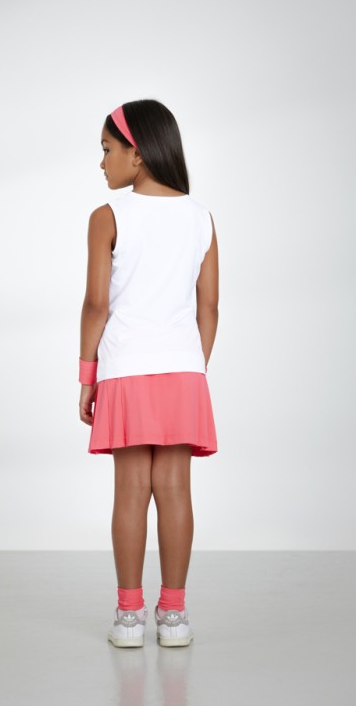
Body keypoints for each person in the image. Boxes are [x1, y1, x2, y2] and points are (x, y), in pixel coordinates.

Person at [78, 99, 219, 648]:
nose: (102, 162)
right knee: (176, 490)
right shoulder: (201, 217)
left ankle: (129, 617)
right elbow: (209, 307)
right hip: (183, 370)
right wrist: (192, 366)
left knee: (131, 490)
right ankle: (175, 617)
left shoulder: (108, 217)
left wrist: (87, 375)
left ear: (136, 153)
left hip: (126, 369)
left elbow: (96, 305)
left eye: (107, 150)